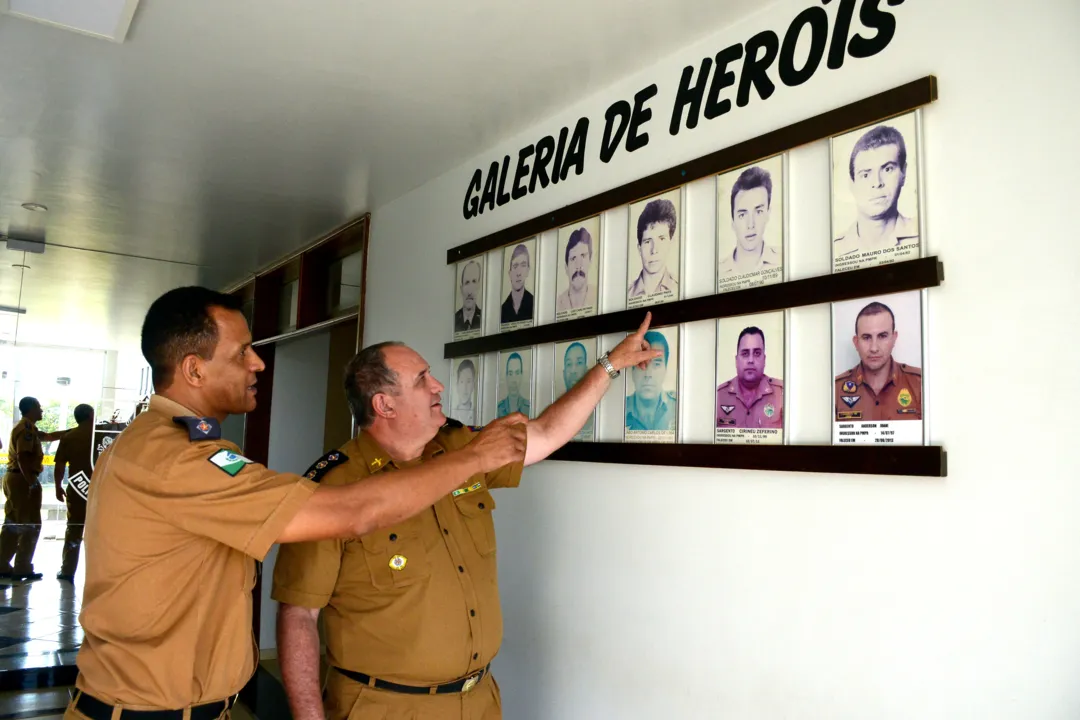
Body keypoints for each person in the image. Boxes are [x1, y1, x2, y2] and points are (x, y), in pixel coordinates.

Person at [64, 286, 527, 720]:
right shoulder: (176, 458)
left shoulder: (171, 446)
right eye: (242, 352)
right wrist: (477, 457)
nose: (258, 364)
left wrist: (605, 368)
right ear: (193, 369)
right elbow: (349, 514)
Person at [271, 314, 661, 720]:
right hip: (383, 706)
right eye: (421, 379)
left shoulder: (459, 447)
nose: (437, 385)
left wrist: (611, 365)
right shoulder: (332, 489)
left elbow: (545, 434)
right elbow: (299, 613)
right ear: (384, 404)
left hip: (477, 701)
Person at [0, 396, 71, 581]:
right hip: (22, 478)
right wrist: (31, 482)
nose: (42, 411)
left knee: (22, 523)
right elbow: (23, 457)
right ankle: (12, 565)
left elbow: (49, 437)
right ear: (31, 409)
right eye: (39, 407)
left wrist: (76, 431)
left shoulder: (29, 427)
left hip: (20, 477)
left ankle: (14, 565)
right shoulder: (25, 429)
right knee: (22, 523)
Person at [834, 125, 919, 260]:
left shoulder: (922, 236)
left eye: (887, 169)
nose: (877, 183)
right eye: (865, 175)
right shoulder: (835, 251)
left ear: (904, 173)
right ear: (852, 184)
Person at [834, 301, 922, 421]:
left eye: (882, 336)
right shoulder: (835, 390)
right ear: (856, 342)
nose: (874, 348)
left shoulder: (920, 384)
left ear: (894, 338)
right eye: (866, 337)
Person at [52, 403, 96, 582]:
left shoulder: (69, 437)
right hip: (99, 490)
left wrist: (57, 486)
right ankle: (98, 572)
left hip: (77, 488)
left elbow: (60, 464)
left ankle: (68, 569)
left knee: (74, 529)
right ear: (91, 416)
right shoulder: (99, 436)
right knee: (100, 532)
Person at [718, 166, 781, 278]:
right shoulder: (718, 272)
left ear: (768, 213)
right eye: (742, 215)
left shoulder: (783, 260)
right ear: (733, 221)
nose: (750, 225)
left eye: (758, 212)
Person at [715, 327, 783, 428]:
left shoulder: (782, 394)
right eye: (745, 353)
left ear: (764, 360)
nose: (751, 360)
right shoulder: (718, 397)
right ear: (736, 360)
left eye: (757, 353)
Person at [625, 330, 677, 431]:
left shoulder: (678, 407)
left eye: (657, 364)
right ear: (632, 370)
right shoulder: (619, 408)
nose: (648, 374)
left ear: (665, 369)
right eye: (641, 363)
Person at [628, 198, 679, 299]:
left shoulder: (679, 288)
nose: (654, 250)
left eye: (661, 239)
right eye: (647, 241)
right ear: (639, 248)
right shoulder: (627, 295)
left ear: (671, 243)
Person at [556, 227, 597, 313]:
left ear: (590, 261)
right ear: (566, 268)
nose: (578, 266)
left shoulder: (598, 296)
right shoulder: (558, 304)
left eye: (583, 256)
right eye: (573, 258)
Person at [561, 342, 594, 440]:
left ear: (586, 369)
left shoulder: (598, 414)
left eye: (579, 363)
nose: (573, 370)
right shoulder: (553, 413)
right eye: (569, 364)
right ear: (564, 373)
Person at [500, 244, 533, 324]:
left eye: (523, 265)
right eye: (515, 266)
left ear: (528, 270)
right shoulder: (502, 310)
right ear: (509, 273)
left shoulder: (534, 303)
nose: (518, 273)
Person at [496, 352, 530, 418]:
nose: (513, 380)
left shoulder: (529, 408)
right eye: (510, 373)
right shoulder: (498, 409)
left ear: (521, 375)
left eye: (517, 373)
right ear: (506, 377)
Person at [454, 261, 483, 333]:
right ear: (461, 288)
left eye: (474, 281)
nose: (470, 292)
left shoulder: (484, 319)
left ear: (478, 286)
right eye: (466, 282)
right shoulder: (453, 320)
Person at [450, 359, 477, 426]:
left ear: (473, 385)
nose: (465, 388)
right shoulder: (450, 415)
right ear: (457, 385)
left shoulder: (478, 414)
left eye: (468, 381)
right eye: (462, 381)